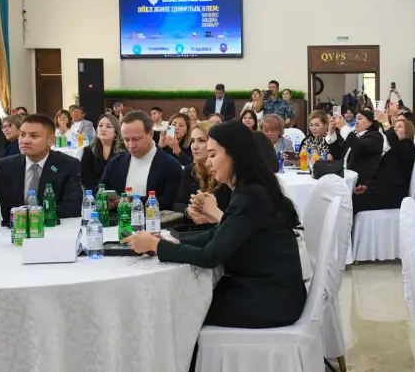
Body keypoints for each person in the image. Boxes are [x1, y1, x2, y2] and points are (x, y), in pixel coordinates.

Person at [123, 121, 306, 329]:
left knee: (173, 305)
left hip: (270, 300)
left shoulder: (251, 198)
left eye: (212, 155)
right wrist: (172, 241)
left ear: (234, 156)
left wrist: (156, 246)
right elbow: (217, 234)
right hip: (269, 291)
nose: (208, 163)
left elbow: (210, 256)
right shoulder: (250, 190)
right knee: (182, 295)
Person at [0, 114, 83, 227]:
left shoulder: (67, 165)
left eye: (34, 136)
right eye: (22, 135)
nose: (25, 140)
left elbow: (72, 207)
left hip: (53, 229)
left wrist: (32, 218)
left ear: (50, 140)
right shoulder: (5, 165)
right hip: (13, 231)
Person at [100, 111, 183, 212]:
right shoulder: (115, 162)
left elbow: (171, 202)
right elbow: (101, 190)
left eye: (136, 139)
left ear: (151, 134)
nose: (131, 145)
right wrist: (106, 201)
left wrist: (132, 201)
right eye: (126, 140)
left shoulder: (171, 165)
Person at [352, 111, 415, 213]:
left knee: (352, 202)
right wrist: (367, 187)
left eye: (399, 127)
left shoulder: (408, 147)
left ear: (407, 132)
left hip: (391, 196)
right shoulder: (396, 149)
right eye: (395, 127)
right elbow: (382, 173)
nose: (395, 128)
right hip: (382, 192)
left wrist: (386, 123)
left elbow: (394, 142)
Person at [175, 121, 233, 222]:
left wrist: (210, 210)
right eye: (192, 141)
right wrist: (189, 211)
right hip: (195, 227)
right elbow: (178, 203)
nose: (195, 146)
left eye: (201, 140)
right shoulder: (189, 170)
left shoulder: (225, 171)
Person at [327, 109, 385, 185]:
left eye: (360, 118)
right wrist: (331, 133)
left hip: (360, 183)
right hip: (344, 178)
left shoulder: (376, 136)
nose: (356, 122)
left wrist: (343, 127)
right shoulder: (354, 135)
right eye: (356, 119)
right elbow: (336, 153)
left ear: (370, 122)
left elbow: (359, 147)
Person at [80, 113, 124, 192]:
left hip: (119, 193)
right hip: (95, 192)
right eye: (100, 126)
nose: (103, 129)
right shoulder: (89, 150)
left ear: (116, 132)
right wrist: (99, 192)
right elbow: (85, 178)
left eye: (108, 126)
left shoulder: (123, 151)